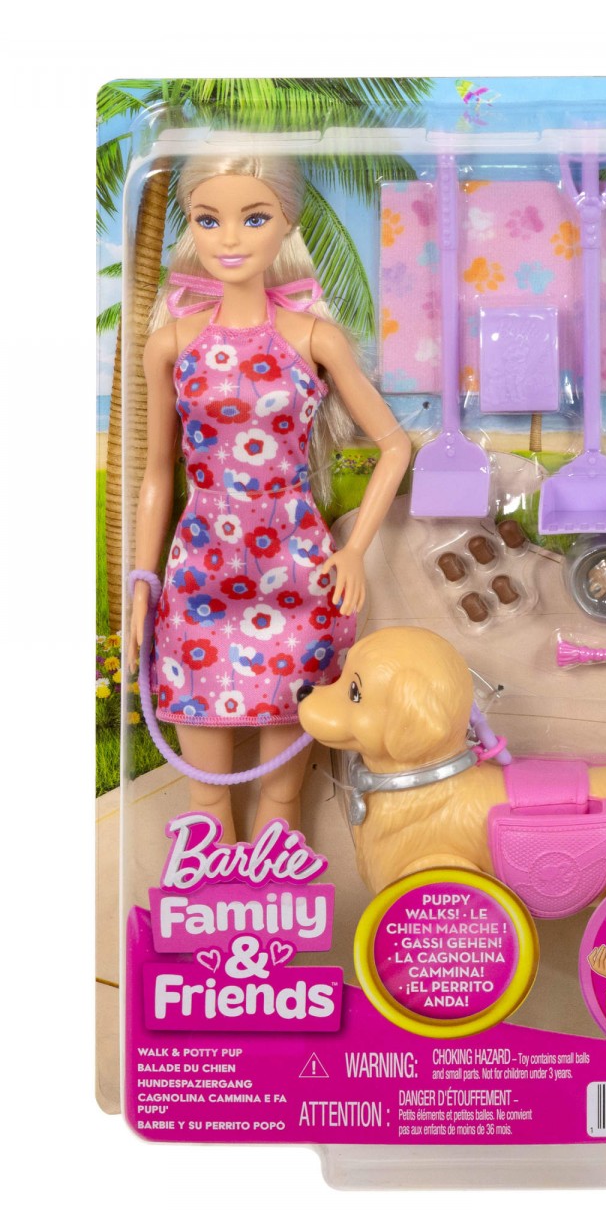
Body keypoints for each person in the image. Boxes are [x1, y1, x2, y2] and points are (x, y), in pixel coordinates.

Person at [128, 152, 410, 842]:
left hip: (296, 573)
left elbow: (395, 446)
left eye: (253, 219)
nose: (229, 238)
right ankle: (206, 895)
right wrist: (141, 585)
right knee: (207, 800)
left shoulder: (314, 339)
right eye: (208, 220)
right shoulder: (170, 344)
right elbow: (158, 472)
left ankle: (280, 895)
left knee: (283, 803)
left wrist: (353, 551)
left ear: (287, 223)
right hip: (200, 575)